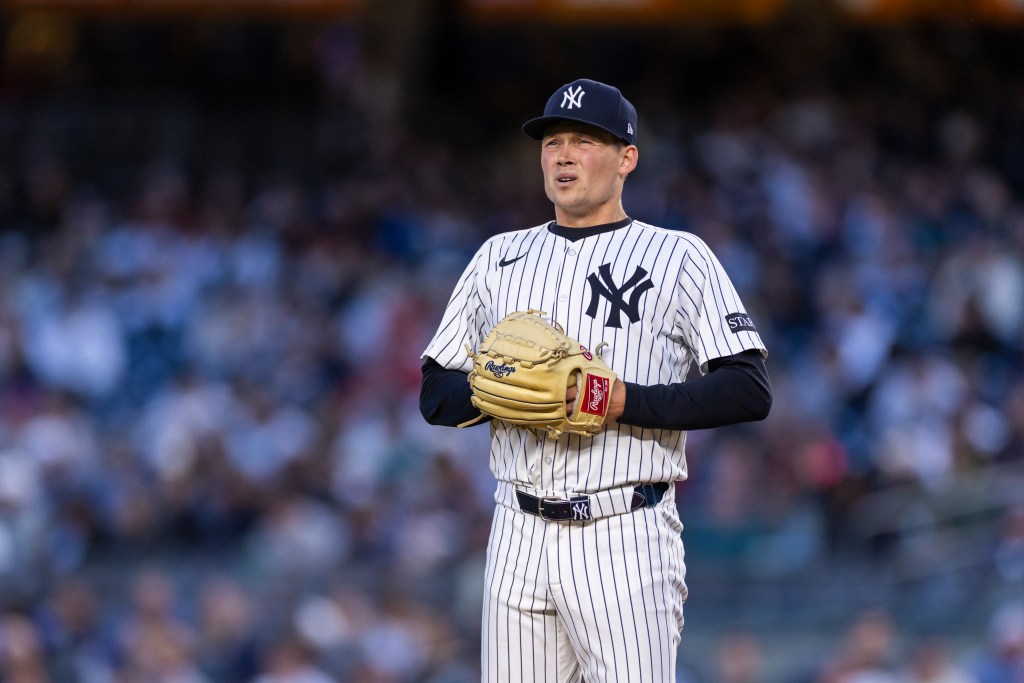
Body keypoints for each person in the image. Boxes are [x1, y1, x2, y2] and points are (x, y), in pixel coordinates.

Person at [420, 78, 772, 683]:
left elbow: (748, 388)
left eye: (583, 141)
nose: (562, 155)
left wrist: (616, 400)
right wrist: (505, 392)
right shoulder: (499, 257)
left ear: (626, 158)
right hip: (517, 529)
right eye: (552, 141)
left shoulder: (677, 255)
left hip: (624, 534)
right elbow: (435, 393)